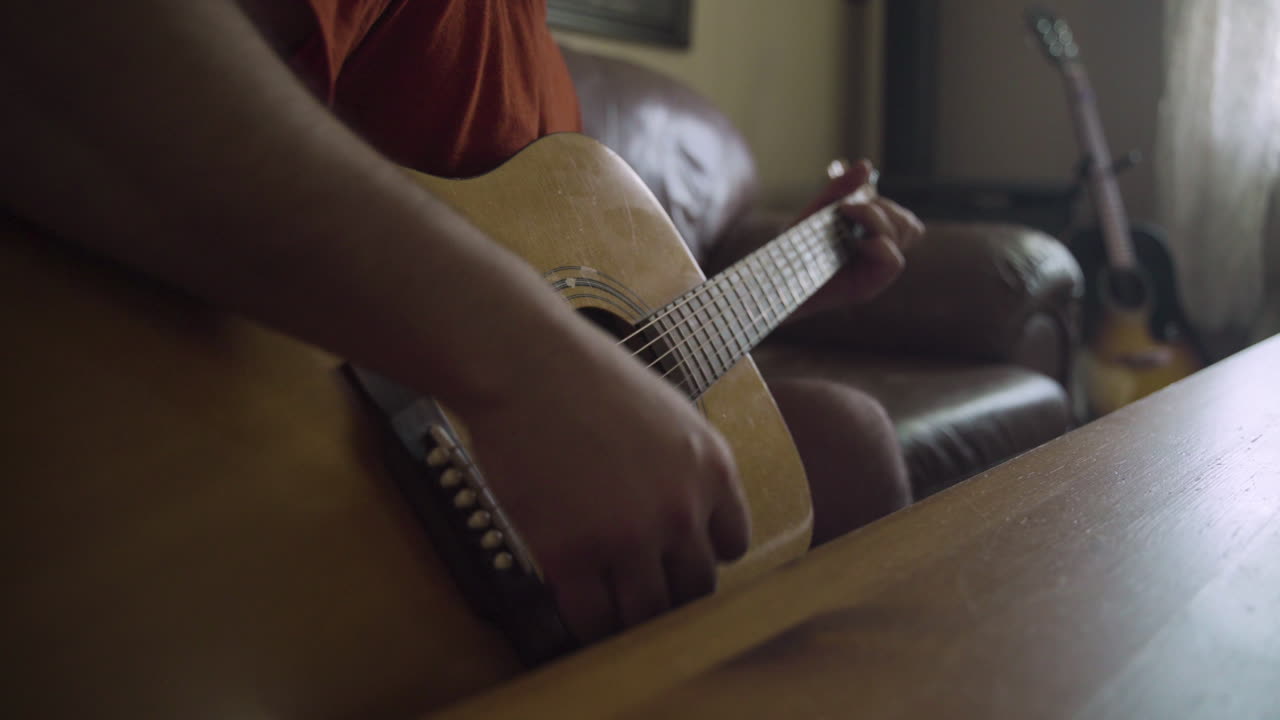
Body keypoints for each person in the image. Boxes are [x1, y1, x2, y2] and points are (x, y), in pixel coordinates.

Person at [0, 0, 922, 644]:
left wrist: (797, 268)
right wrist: (525, 364)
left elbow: (616, 363)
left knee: (843, 440)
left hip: (473, 565)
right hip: (248, 548)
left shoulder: (530, 59)